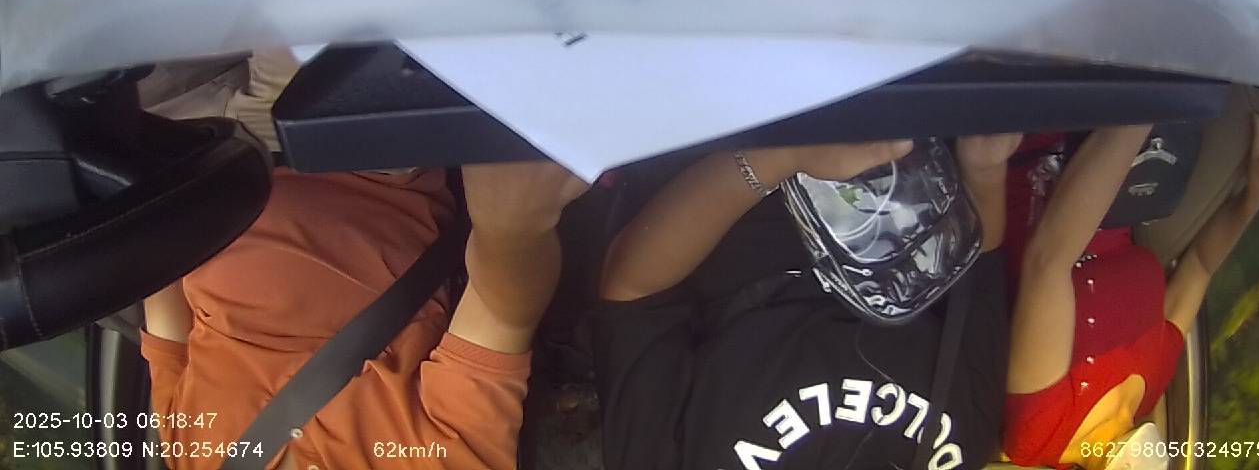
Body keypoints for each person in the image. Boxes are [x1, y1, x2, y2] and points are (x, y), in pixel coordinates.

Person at [591, 135, 1021, 470]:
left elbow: (633, 290)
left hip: (719, 152)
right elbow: (977, 274)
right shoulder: (963, 450)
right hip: (896, 157)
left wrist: (781, 157)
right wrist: (985, 164)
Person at [141, 152, 587, 470]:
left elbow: (159, 287)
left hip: (207, 162)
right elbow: (500, 318)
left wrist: (144, 178)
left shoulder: (189, 455)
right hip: (365, 157)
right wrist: (511, 226)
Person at [1000, 120, 1259, 469]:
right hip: (1122, 151)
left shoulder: (1041, 435)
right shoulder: (1153, 383)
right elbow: (1200, 266)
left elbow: (1048, 262)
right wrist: (1254, 196)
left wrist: (1133, 124)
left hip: (1039, 147)